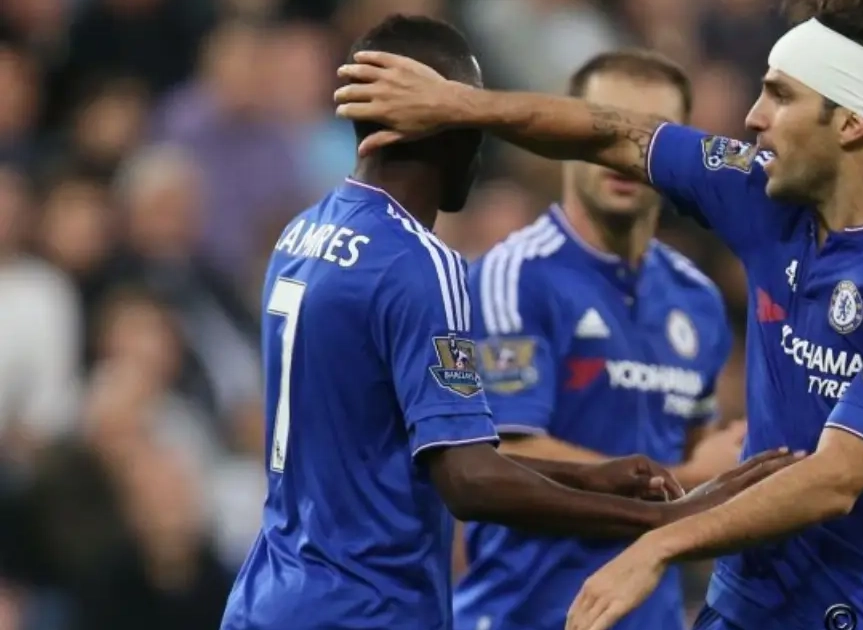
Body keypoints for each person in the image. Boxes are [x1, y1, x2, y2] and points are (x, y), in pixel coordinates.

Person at [332, 0, 863, 628]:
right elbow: (617, 134)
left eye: (781, 96)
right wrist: (459, 104)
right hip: (742, 605)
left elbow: (833, 480)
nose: (754, 118)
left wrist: (659, 542)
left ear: (852, 123)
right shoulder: (764, 196)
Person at [220, 14, 798, 630]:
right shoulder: (423, 264)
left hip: (274, 593)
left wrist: (593, 477)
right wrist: (665, 516)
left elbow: (410, 447)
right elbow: (468, 478)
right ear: (447, 129)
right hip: (366, 608)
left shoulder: (305, 233)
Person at [454, 50, 745, 630]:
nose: (622, 153)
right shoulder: (515, 276)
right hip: (527, 616)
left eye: (649, 137)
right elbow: (503, 455)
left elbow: (697, 448)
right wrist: (690, 481)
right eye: (603, 128)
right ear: (567, 136)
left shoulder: (698, 298)